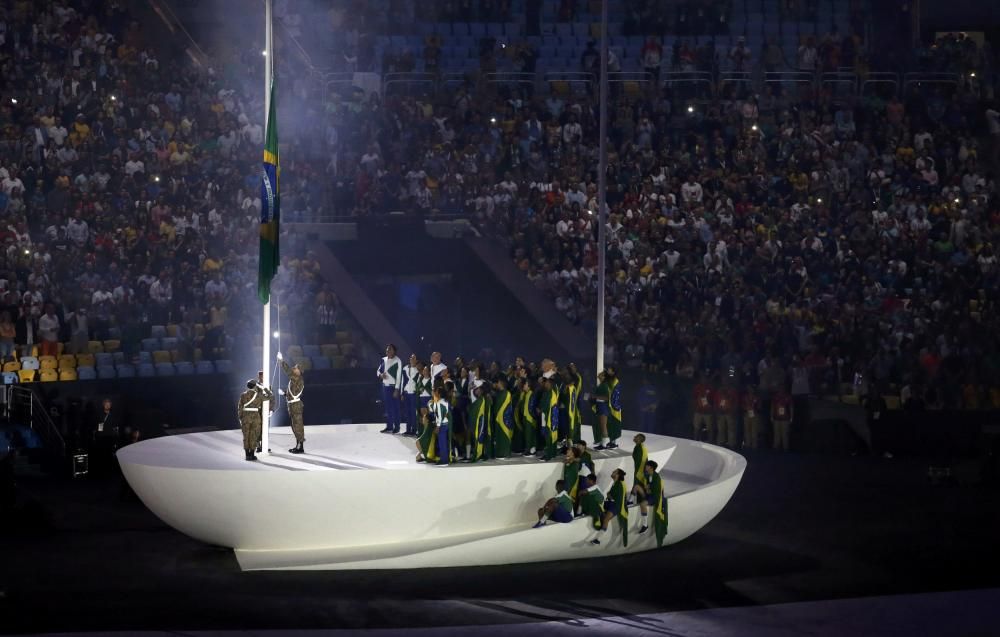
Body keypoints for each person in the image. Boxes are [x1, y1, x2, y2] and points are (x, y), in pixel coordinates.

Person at [276, 351, 306, 454]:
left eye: (296, 368)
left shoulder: (297, 378)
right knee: (294, 426)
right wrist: (284, 393)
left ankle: (300, 447)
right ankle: (298, 445)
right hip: (292, 405)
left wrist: (281, 361)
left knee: (297, 426)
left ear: (299, 371)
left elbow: (288, 371)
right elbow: (293, 393)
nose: (294, 368)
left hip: (296, 406)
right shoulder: (295, 380)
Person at [238, 378, 273, 461]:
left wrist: (240, 418)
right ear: (255, 386)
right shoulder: (259, 395)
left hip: (245, 417)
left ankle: (247, 455)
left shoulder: (243, 395)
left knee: (246, 436)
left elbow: (239, 407)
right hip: (255, 417)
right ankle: (252, 455)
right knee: (254, 436)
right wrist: (262, 387)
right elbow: (270, 395)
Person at [636, 460, 668, 547]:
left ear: (651, 468)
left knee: (643, 504)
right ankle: (630, 501)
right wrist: (647, 488)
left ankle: (645, 525)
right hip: (649, 494)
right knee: (637, 487)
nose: (645, 467)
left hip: (654, 497)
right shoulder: (648, 475)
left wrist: (648, 489)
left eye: (647, 466)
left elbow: (655, 492)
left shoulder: (656, 477)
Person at [593, 469, 629, 546]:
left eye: (614, 472)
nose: (612, 473)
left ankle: (598, 539)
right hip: (611, 504)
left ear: (618, 475)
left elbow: (616, 497)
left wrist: (609, 495)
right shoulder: (615, 483)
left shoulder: (620, 484)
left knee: (606, 519)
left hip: (616, 505)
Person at [377, 344, 404, 434]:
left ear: (394, 351)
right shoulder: (383, 359)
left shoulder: (398, 361)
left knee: (395, 408)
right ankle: (389, 426)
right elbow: (378, 371)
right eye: (387, 349)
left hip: (393, 387)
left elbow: (399, 376)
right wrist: (380, 375)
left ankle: (397, 427)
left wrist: (397, 389)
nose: (388, 350)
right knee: (388, 408)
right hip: (385, 386)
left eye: (390, 349)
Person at [491, 376, 514, 459]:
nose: (496, 384)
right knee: (499, 436)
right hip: (498, 419)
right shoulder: (498, 393)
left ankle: (505, 453)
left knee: (504, 435)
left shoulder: (507, 393)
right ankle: (499, 452)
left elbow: (505, 407)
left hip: (504, 419)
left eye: (498, 383)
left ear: (501, 383)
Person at [538, 373, 560, 460]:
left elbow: (547, 406)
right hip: (549, 417)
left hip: (548, 417)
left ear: (550, 384)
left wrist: (540, 409)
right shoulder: (547, 392)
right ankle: (552, 453)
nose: (544, 384)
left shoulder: (550, 393)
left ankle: (548, 454)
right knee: (551, 435)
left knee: (548, 435)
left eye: (546, 382)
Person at [467, 379, 489, 462]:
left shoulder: (482, 400)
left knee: (479, 438)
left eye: (476, 389)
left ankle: (479, 454)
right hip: (474, 422)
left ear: (480, 390)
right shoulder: (477, 399)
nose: (475, 390)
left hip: (479, 423)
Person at [430, 385, 452, 465]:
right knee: (444, 442)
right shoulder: (445, 401)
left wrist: (438, 426)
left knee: (442, 443)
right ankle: (446, 458)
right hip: (446, 423)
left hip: (442, 425)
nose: (435, 393)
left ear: (439, 394)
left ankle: (444, 460)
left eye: (436, 392)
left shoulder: (439, 403)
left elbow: (439, 415)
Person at [715, 378, 739, 447]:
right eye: (724, 381)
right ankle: (720, 444)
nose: (725, 382)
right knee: (721, 429)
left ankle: (731, 445)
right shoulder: (719, 391)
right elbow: (716, 401)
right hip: (720, 412)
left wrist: (733, 411)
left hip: (730, 413)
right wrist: (717, 411)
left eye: (727, 381)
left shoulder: (733, 391)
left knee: (731, 430)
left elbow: (736, 402)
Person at [692, 373, 715, 441]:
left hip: (708, 412)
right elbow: (694, 398)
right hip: (698, 411)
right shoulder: (697, 387)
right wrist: (696, 407)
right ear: (700, 379)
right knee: (696, 428)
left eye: (705, 378)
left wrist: (711, 408)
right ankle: (695, 442)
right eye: (702, 378)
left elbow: (713, 400)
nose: (703, 380)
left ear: (707, 379)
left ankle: (710, 442)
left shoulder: (710, 388)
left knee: (709, 429)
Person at [401, 354, 420, 436]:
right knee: (407, 412)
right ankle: (408, 429)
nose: (412, 359)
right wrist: (402, 392)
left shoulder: (418, 369)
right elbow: (402, 381)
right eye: (411, 357)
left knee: (413, 412)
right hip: (406, 393)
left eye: (413, 358)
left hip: (414, 393)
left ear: (416, 360)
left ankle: (414, 430)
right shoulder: (405, 368)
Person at [519, 376, 538, 456]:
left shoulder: (532, 394)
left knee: (530, 435)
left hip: (530, 418)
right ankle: (528, 448)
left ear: (529, 385)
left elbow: (533, 407)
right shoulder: (526, 394)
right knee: (527, 435)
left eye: (525, 384)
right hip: (526, 417)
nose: (524, 385)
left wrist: (533, 416)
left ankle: (531, 449)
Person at [592, 370, 610, 449]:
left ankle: (604, 445)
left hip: (603, 407)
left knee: (603, 426)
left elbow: (606, 398)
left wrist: (595, 397)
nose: (599, 375)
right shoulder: (601, 385)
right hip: (599, 406)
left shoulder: (605, 385)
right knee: (601, 426)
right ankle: (602, 443)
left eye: (601, 374)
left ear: (604, 377)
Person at [772, 385, 794, 451]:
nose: (781, 389)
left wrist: (791, 417)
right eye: (779, 388)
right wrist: (771, 416)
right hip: (776, 418)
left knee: (785, 434)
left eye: (782, 388)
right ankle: (776, 446)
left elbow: (791, 407)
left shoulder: (788, 397)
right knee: (776, 433)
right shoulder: (775, 396)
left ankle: (785, 447)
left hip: (785, 418)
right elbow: (772, 407)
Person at [605, 366, 623, 448]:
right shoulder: (609, 380)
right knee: (610, 425)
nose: (607, 371)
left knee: (615, 424)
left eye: (609, 370)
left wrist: (614, 406)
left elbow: (615, 395)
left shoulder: (615, 381)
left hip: (614, 407)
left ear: (613, 372)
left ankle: (614, 443)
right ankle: (611, 441)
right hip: (609, 406)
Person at [630, 433, 648, 503]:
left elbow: (640, 461)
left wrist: (640, 472)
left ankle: (630, 500)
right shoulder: (639, 447)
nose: (634, 437)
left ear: (640, 439)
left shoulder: (640, 448)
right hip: (640, 470)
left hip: (640, 471)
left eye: (636, 437)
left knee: (636, 484)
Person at [742, 384, 761, 449]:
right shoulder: (745, 397)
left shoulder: (757, 397)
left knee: (754, 430)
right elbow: (742, 405)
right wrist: (746, 408)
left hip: (754, 414)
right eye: (749, 389)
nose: (750, 390)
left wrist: (755, 408)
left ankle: (754, 445)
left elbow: (759, 406)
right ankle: (748, 444)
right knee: (747, 430)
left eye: (751, 388)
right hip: (747, 414)